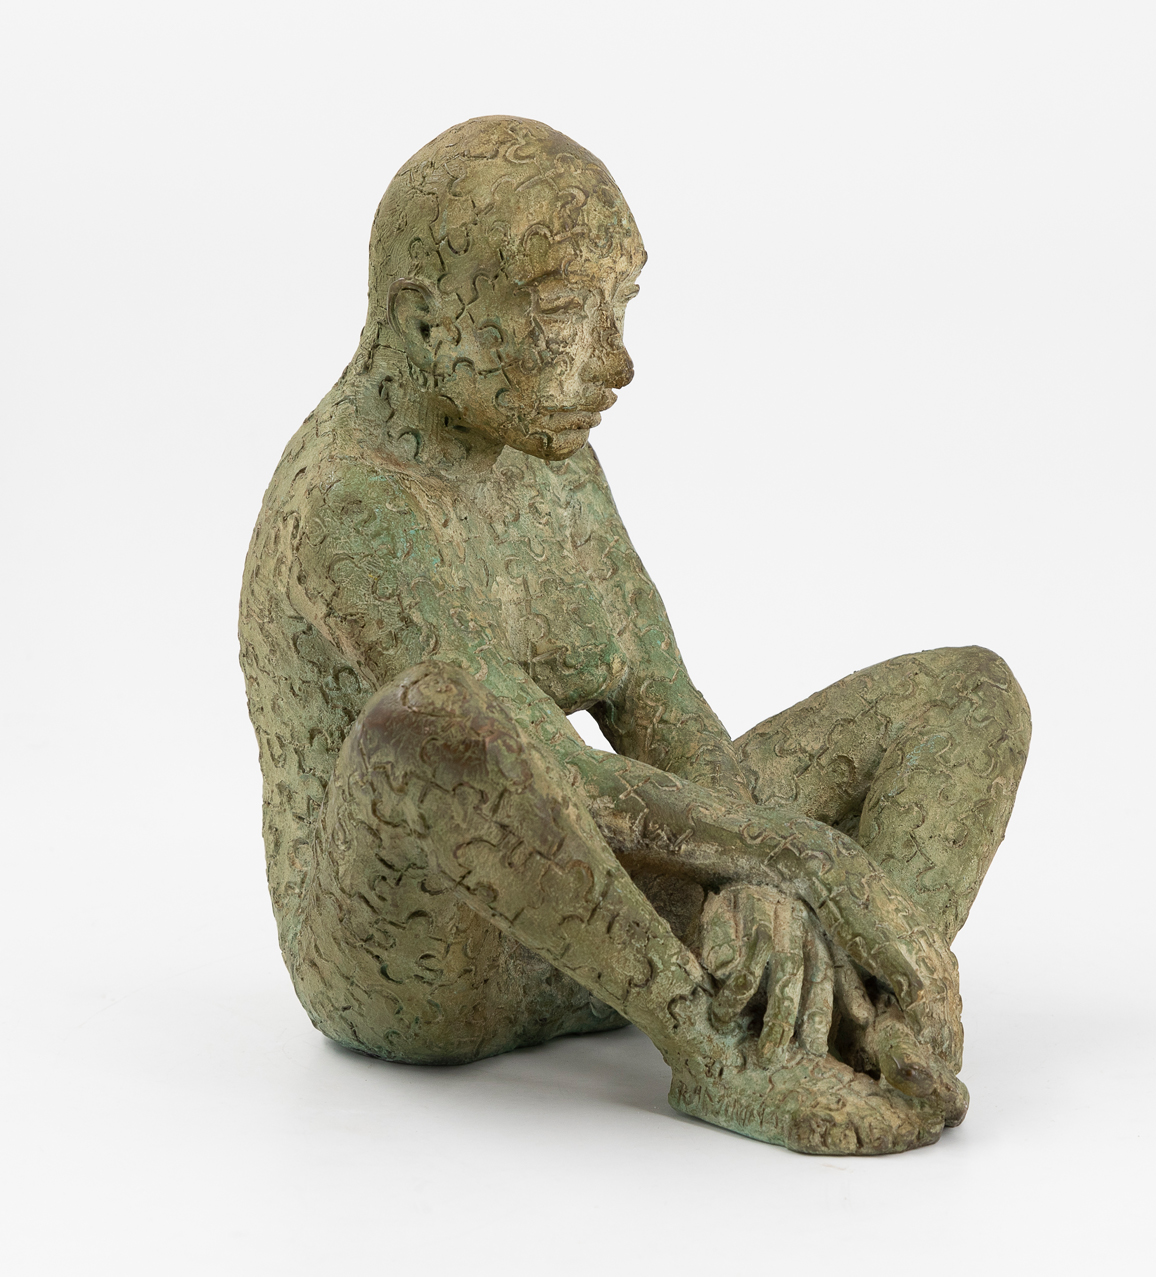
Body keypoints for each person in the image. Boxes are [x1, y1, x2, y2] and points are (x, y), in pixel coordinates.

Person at [238, 116, 1031, 1155]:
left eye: (622, 306)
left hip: (581, 912)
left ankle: (848, 1006)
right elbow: (532, 760)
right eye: (564, 311)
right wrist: (805, 859)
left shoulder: (548, 455)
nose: (614, 362)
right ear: (426, 319)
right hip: (420, 970)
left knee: (969, 693)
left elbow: (661, 704)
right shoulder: (348, 503)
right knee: (432, 718)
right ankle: (718, 1048)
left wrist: (754, 882)